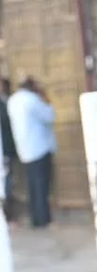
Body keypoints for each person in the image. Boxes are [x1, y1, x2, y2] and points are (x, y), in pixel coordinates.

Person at [6, 77, 55, 229]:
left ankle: (35, 218)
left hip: (24, 149)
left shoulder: (13, 100)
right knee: (41, 185)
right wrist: (44, 96)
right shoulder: (33, 100)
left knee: (32, 186)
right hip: (39, 147)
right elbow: (49, 116)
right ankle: (43, 219)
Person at [0, 78, 16, 223]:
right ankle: (8, 217)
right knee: (6, 184)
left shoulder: (6, 101)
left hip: (8, 149)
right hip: (4, 150)